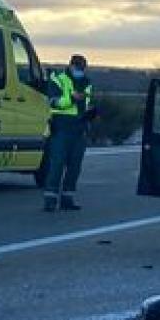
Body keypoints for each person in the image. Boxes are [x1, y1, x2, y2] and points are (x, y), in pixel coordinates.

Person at [43, 54, 96, 211]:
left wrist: (91, 114)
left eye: (82, 68)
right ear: (71, 66)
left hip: (79, 128)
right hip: (61, 127)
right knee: (57, 164)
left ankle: (68, 198)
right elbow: (54, 102)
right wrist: (72, 99)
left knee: (75, 166)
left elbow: (88, 104)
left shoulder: (87, 83)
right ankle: (50, 199)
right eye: (77, 68)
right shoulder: (58, 80)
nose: (80, 71)